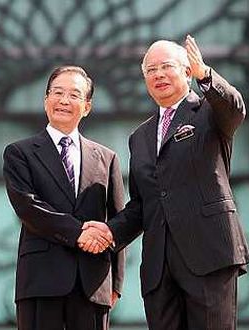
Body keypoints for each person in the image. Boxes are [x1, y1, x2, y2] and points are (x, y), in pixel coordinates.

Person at [80, 35, 249, 329]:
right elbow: (142, 205)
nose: (158, 75)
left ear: (186, 71)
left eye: (166, 66)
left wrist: (206, 75)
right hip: (159, 268)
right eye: (151, 70)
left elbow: (235, 108)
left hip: (209, 254)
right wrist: (110, 230)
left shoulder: (209, 113)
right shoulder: (140, 137)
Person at [3, 65, 125, 330]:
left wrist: (115, 283)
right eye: (57, 93)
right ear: (46, 100)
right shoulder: (19, 153)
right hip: (41, 281)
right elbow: (28, 207)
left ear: (87, 106)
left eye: (74, 95)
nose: (64, 101)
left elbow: (117, 220)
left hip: (93, 283)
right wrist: (79, 233)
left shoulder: (107, 158)